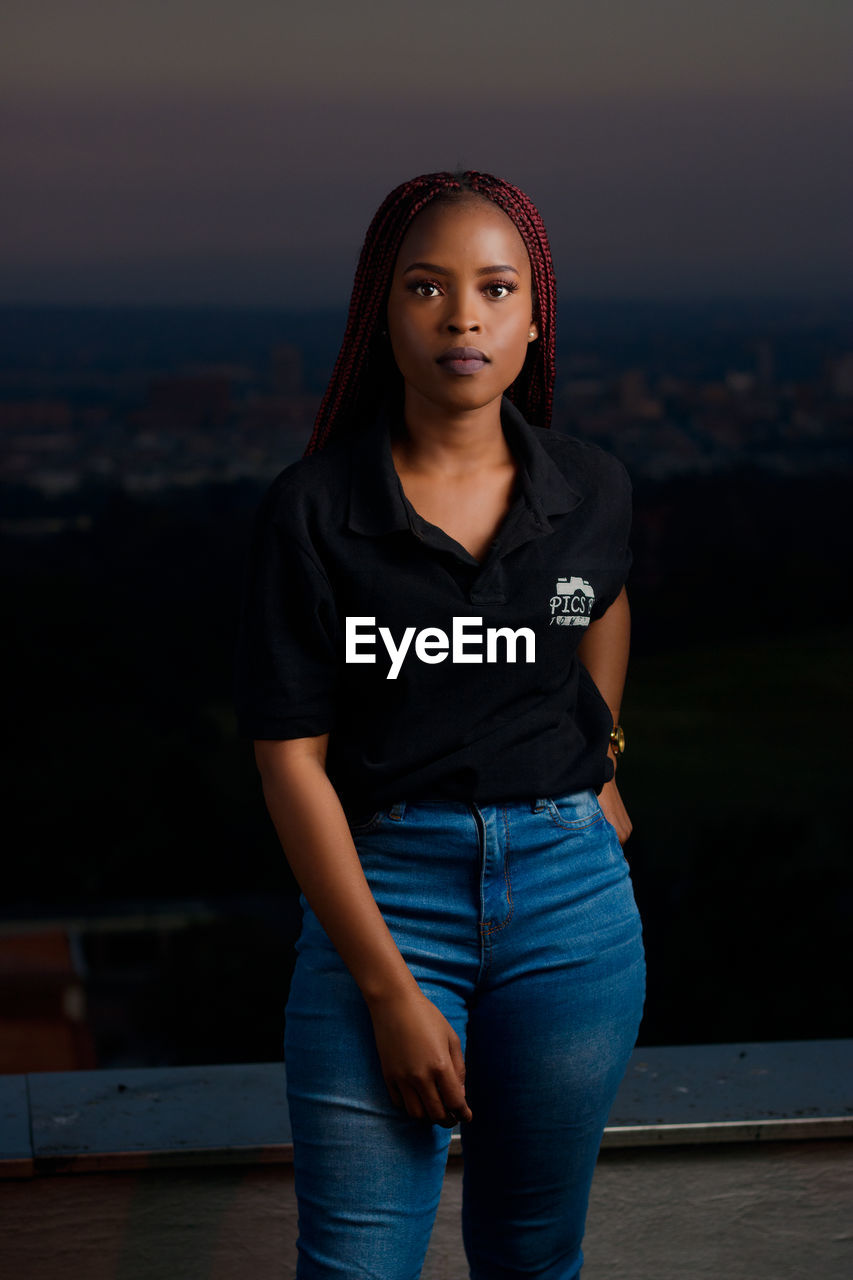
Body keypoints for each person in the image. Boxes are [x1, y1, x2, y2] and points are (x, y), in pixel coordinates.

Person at [236, 170, 645, 1279]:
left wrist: (602, 761)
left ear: (530, 319)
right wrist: (385, 986)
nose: (462, 314)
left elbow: (596, 606)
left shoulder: (591, 488)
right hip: (387, 900)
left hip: (574, 914)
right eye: (427, 286)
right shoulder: (316, 511)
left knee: (529, 1253)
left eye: (495, 288)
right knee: (358, 1264)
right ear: (384, 311)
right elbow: (291, 764)